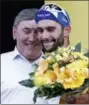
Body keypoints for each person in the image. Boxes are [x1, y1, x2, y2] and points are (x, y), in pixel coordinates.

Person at [1, 8, 48, 104]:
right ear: (14, 33)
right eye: (26, 31)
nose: (32, 38)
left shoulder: (58, 68)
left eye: (38, 32)